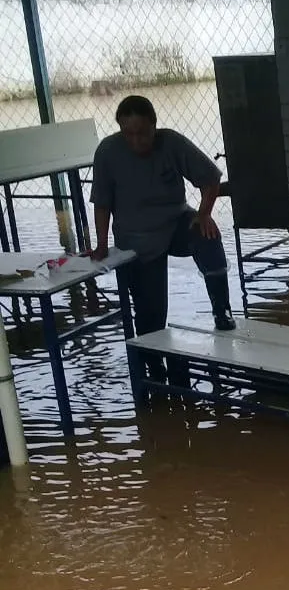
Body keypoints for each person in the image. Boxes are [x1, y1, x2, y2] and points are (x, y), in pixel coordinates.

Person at [91, 95, 235, 380]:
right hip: (136, 240)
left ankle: (222, 310)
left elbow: (211, 179)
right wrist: (101, 244)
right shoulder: (108, 151)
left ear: (154, 126)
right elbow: (102, 203)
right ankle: (154, 370)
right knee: (150, 313)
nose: (136, 141)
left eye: (142, 133)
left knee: (208, 236)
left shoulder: (171, 142)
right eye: (128, 134)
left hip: (175, 222)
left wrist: (203, 214)